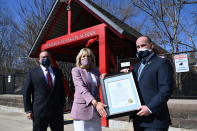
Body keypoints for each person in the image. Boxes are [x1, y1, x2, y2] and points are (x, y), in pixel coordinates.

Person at [123, 36, 173, 131]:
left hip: (155, 120)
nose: (140, 48)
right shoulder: (137, 67)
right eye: (138, 47)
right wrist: (125, 77)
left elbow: (166, 89)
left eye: (143, 45)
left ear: (151, 45)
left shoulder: (162, 63)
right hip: (138, 119)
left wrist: (150, 108)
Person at [23, 50, 65, 131]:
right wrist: (28, 110)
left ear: (51, 58)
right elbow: (26, 92)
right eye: (43, 57)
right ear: (39, 59)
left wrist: (61, 105)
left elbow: (61, 90)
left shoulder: (58, 72)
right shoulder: (32, 73)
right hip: (39, 112)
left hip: (56, 112)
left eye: (47, 57)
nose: (45, 58)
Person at [71, 48, 107, 131]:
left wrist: (105, 78)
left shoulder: (96, 71)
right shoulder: (76, 70)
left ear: (92, 59)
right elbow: (81, 88)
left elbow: (100, 85)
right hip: (82, 111)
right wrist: (95, 103)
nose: (85, 58)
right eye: (83, 56)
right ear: (79, 58)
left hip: (95, 111)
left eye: (88, 56)